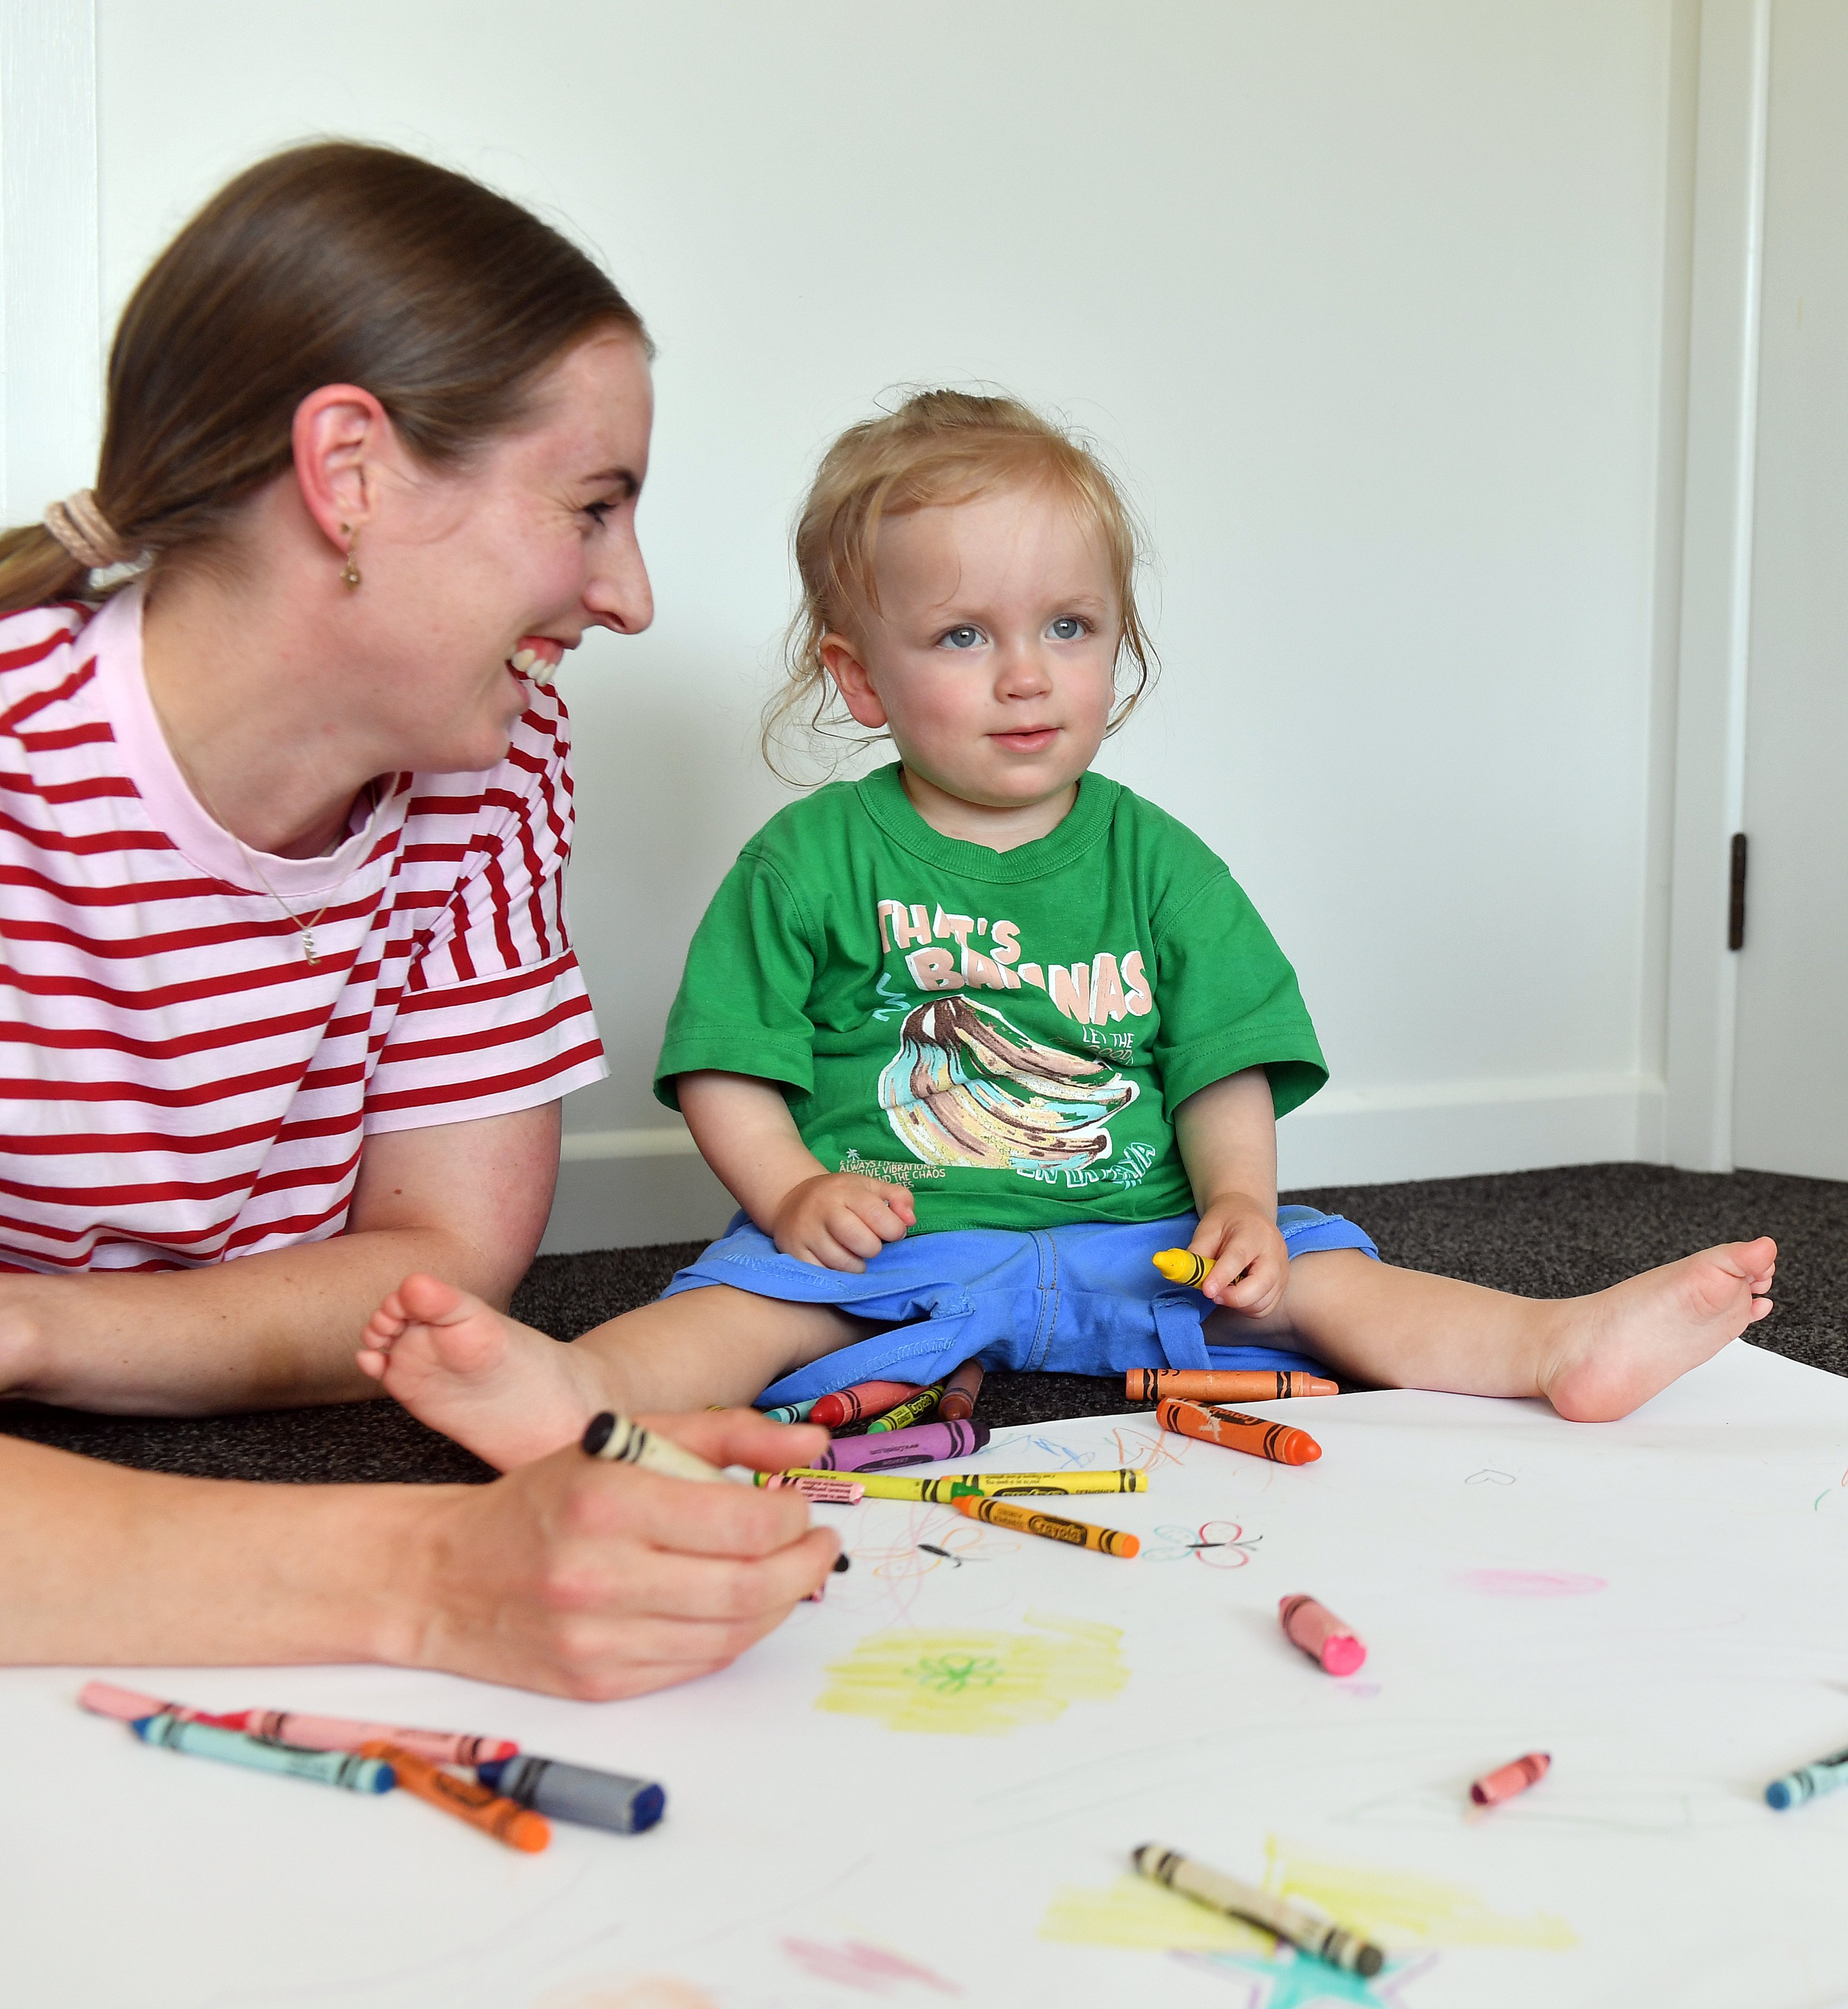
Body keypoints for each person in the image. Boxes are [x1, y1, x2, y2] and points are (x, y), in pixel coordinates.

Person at [359, 392, 1779, 1472]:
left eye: (1072, 627)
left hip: (1140, 1236)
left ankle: (1554, 1343)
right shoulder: (811, 858)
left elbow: (1220, 1058)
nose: (1027, 677)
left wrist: (1233, 1200)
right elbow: (733, 1064)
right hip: (896, 1248)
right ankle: (572, 1396)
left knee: (1335, 1278)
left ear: (1120, 641)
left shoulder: (1157, 863)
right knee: (736, 1317)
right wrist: (794, 1195)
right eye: (964, 637)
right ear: (860, 677)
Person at [0, 142, 840, 1695]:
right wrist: (437, 1581)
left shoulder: (498, 762)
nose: (633, 596)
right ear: (351, 474)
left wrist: (39, 1334)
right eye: (592, 507)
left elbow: (439, 1263)